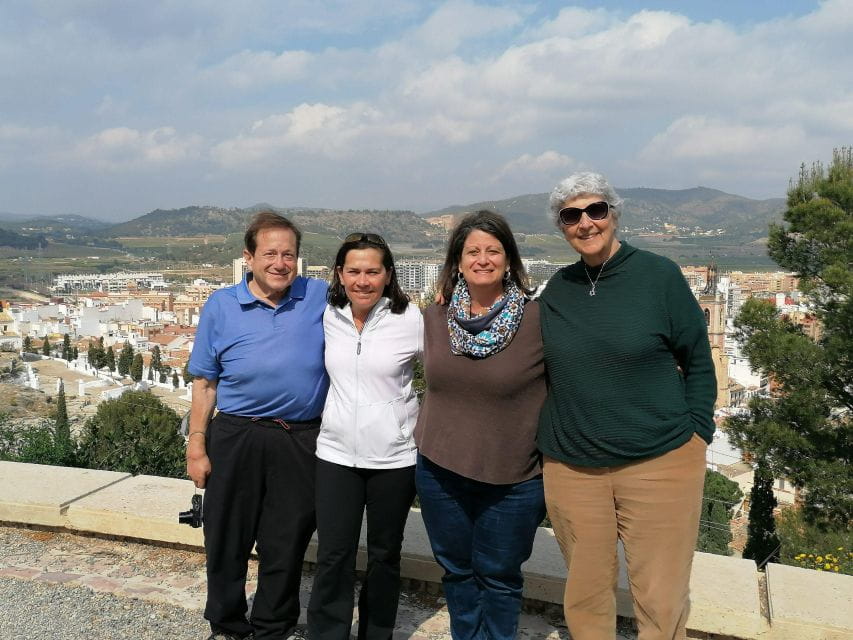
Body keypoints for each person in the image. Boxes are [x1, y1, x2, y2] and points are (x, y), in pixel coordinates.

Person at [537, 172, 716, 640]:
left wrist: (698, 434)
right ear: (561, 227)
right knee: (586, 593)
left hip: (661, 460)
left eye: (596, 210)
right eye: (571, 215)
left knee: (661, 595)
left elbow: (698, 359)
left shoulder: (659, 276)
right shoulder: (557, 290)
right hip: (573, 466)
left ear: (614, 214)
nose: (586, 222)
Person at [186, 211, 329, 640]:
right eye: (270, 253)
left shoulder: (319, 295)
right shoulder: (221, 306)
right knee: (226, 536)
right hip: (236, 434)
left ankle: (272, 626)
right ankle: (227, 624)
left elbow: (370, 291)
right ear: (249, 257)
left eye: (289, 254)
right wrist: (197, 444)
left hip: (299, 437)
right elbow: (205, 383)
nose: (280, 263)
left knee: (287, 539)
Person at [414, 210, 547, 640]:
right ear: (457, 261)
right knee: (456, 572)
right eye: (473, 250)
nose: (483, 259)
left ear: (510, 261)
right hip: (439, 470)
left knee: (500, 578)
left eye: (494, 250)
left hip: (514, 478)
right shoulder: (435, 318)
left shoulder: (537, 320)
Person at [307, 233, 423, 640]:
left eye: (372, 271)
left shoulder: (410, 319)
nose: (362, 280)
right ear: (339, 274)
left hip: (394, 458)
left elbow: (447, 373)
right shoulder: (327, 315)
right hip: (336, 454)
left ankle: (377, 633)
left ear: (387, 274)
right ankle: (327, 634)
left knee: (384, 556)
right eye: (353, 271)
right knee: (333, 554)